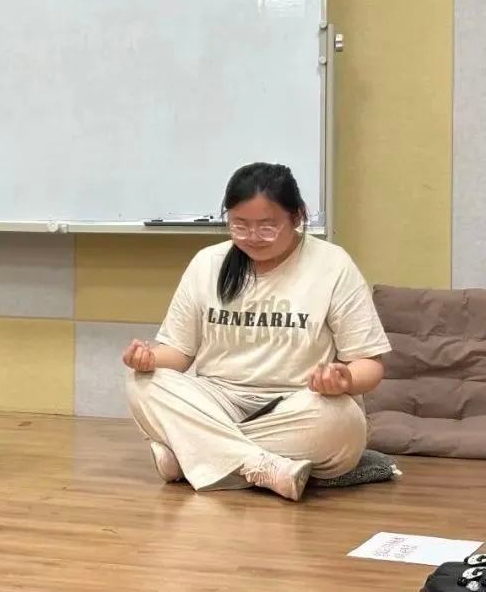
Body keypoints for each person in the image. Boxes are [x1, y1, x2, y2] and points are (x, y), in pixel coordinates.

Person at [121, 162, 391, 501]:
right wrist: (149, 358)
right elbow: (178, 353)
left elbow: (370, 364)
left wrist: (345, 380)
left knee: (341, 422)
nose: (252, 237)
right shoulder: (207, 262)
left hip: (298, 403)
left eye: (267, 227)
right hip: (219, 400)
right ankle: (258, 466)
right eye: (239, 226)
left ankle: (192, 453)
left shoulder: (333, 265)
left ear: (297, 216)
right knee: (143, 383)